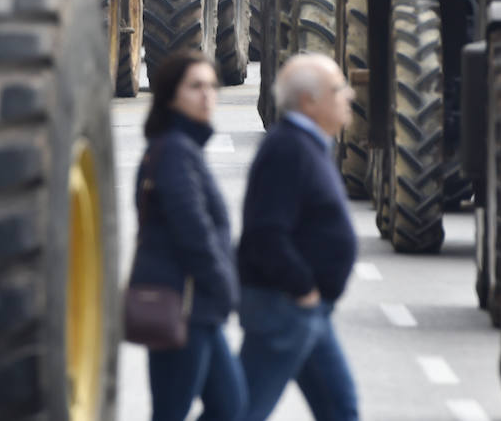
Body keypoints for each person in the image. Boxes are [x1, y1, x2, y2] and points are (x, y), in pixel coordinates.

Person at [237, 53, 359, 421]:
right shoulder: (288, 149)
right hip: (286, 307)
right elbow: (265, 232)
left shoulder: (308, 146)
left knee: (340, 408)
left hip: (307, 311)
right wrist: (302, 288)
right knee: (240, 410)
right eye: (339, 89)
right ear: (310, 101)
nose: (350, 95)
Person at [127, 50, 246, 421]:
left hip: (200, 307)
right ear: (170, 96)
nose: (207, 95)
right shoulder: (175, 152)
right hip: (183, 304)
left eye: (212, 86)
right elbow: (192, 231)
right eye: (195, 86)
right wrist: (226, 288)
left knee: (230, 407)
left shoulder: (183, 149)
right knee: (173, 411)